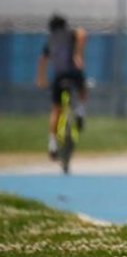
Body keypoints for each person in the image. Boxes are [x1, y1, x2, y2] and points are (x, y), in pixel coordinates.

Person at [36, 14, 88, 160]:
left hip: (59, 77)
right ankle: (80, 111)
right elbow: (83, 33)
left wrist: (41, 79)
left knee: (56, 109)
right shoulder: (70, 34)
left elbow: (42, 60)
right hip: (73, 72)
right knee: (82, 90)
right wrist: (78, 55)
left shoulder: (50, 40)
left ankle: (52, 144)